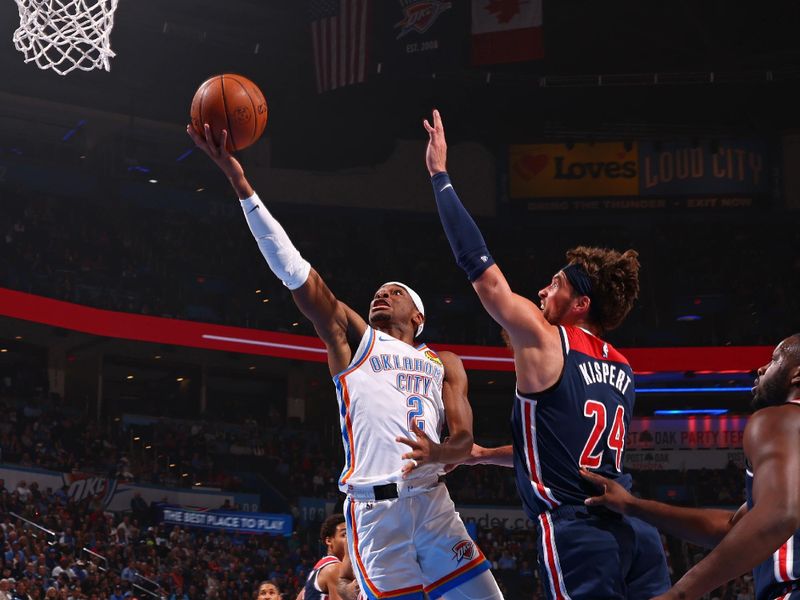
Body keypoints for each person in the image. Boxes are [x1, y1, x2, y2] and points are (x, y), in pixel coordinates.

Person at [188, 124, 502, 600]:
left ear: (417, 315)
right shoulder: (358, 342)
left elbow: (462, 441)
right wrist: (242, 185)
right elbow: (296, 272)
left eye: (395, 292)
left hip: (433, 503)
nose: (382, 292)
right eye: (379, 289)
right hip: (377, 515)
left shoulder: (446, 362)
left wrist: (440, 453)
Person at [423, 109, 670, 599]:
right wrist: (483, 456)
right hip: (636, 531)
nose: (541, 291)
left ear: (581, 304)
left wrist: (440, 177)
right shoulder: (623, 366)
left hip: (579, 530)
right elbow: (562, 448)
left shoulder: (546, 337)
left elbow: (482, 271)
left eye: (554, 285)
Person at [581, 334, 800, 600]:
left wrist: (678, 595)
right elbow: (733, 527)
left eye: (774, 360)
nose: (761, 369)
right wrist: (632, 505)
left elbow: (778, 516)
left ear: (796, 375)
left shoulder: (779, 419)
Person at [297, 514, 348, 600]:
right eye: (344, 535)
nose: (349, 539)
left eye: (351, 535)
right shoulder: (334, 568)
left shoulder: (318, 569)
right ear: (329, 541)